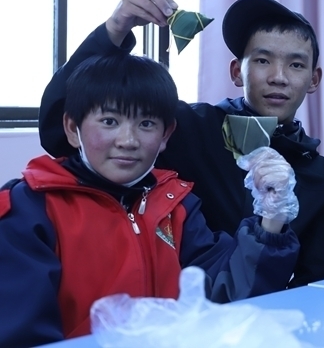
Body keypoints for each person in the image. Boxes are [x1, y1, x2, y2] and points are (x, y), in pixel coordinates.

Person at [38, 0, 324, 287]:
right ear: (237, 72)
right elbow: (60, 128)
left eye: (295, 65)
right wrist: (116, 28)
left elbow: (317, 284)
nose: (278, 77)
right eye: (263, 61)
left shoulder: (322, 179)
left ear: (314, 79)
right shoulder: (186, 127)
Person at [0, 53, 300, 346]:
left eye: (146, 124)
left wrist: (271, 217)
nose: (128, 141)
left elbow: (224, 299)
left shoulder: (177, 206)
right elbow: (22, 335)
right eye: (109, 121)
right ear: (72, 129)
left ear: (166, 134)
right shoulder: (30, 209)